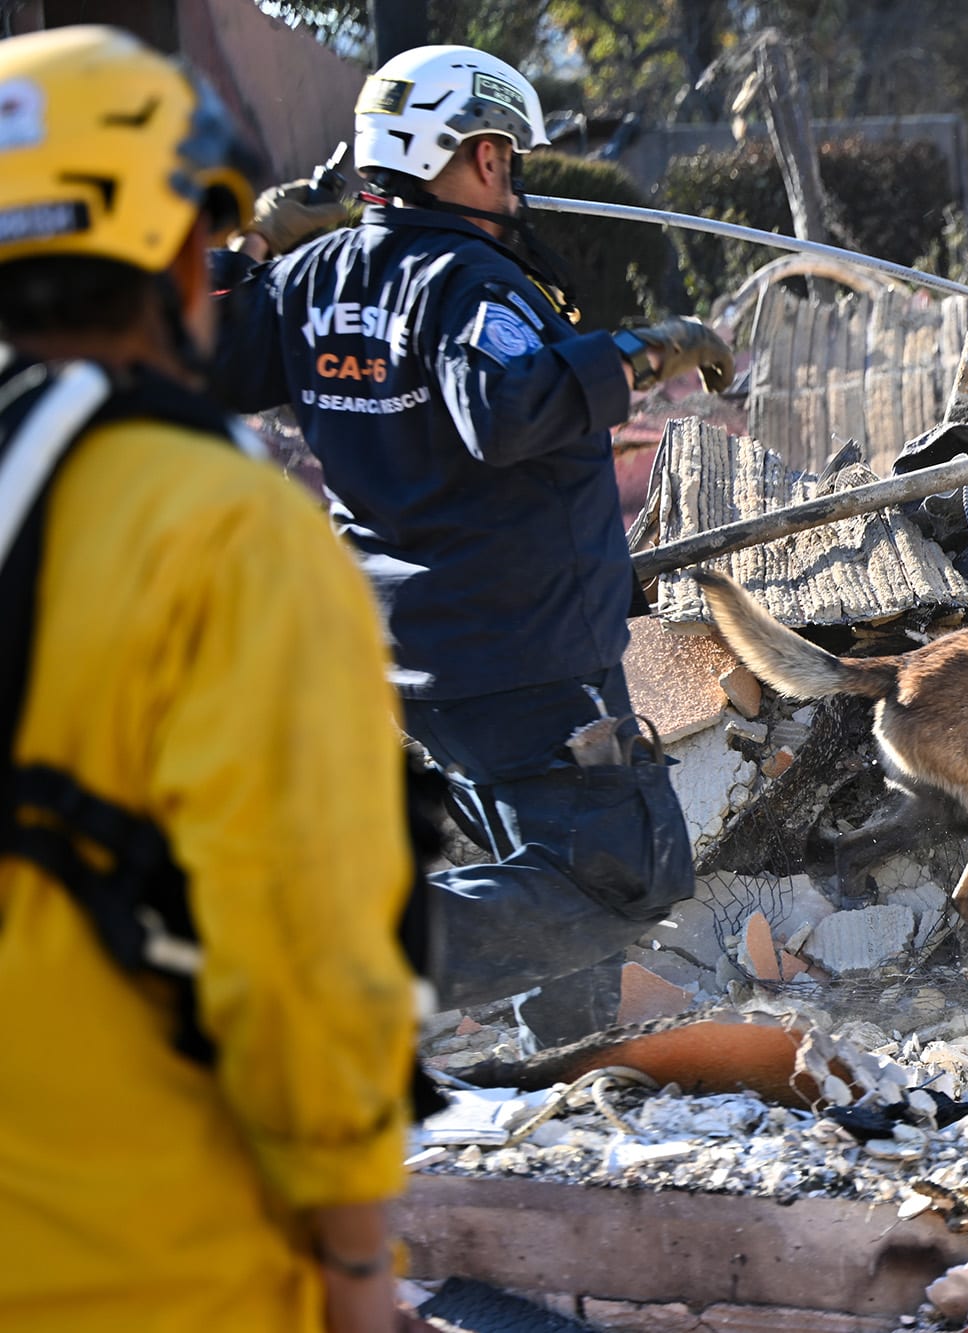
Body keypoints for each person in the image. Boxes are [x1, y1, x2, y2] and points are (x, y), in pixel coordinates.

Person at [0, 26, 420, 1333]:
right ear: (180, 251)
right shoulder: (226, 533)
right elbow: (302, 948)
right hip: (152, 1265)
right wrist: (356, 1265)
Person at [213, 46, 732, 1043]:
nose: (513, 174)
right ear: (483, 156)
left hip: (418, 647)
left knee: (547, 865)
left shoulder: (311, 278)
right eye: (507, 153)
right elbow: (507, 408)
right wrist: (647, 348)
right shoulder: (465, 282)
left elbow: (191, 345)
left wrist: (254, 243)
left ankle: (569, 1062)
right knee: (621, 875)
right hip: (520, 645)